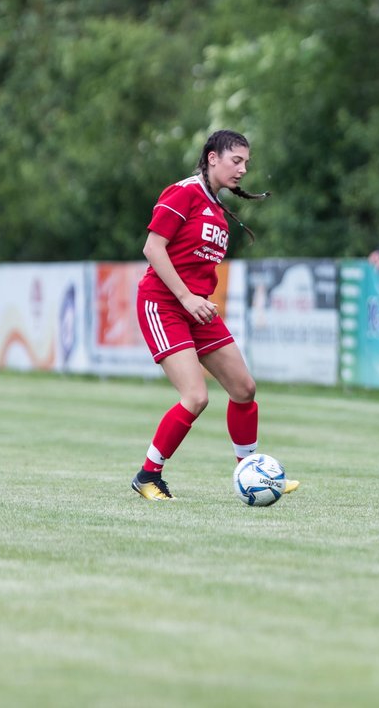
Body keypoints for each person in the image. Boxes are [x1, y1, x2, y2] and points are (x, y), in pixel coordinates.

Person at [130, 130, 299, 500]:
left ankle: (253, 471)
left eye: (246, 164)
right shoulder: (184, 192)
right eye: (235, 160)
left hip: (196, 307)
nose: (242, 170)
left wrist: (195, 300)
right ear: (212, 158)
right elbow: (153, 248)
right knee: (195, 397)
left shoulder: (216, 205)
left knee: (244, 389)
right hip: (164, 303)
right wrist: (187, 298)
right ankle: (147, 476)